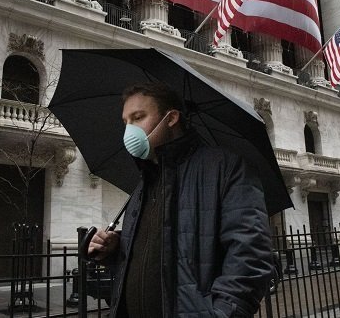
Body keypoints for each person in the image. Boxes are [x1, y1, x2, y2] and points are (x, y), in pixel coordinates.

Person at [88, 81, 274, 317]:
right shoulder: (145, 181)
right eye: (126, 122)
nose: (129, 130)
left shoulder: (227, 168)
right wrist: (116, 249)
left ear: (172, 118)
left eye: (138, 117)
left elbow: (250, 257)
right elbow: (159, 253)